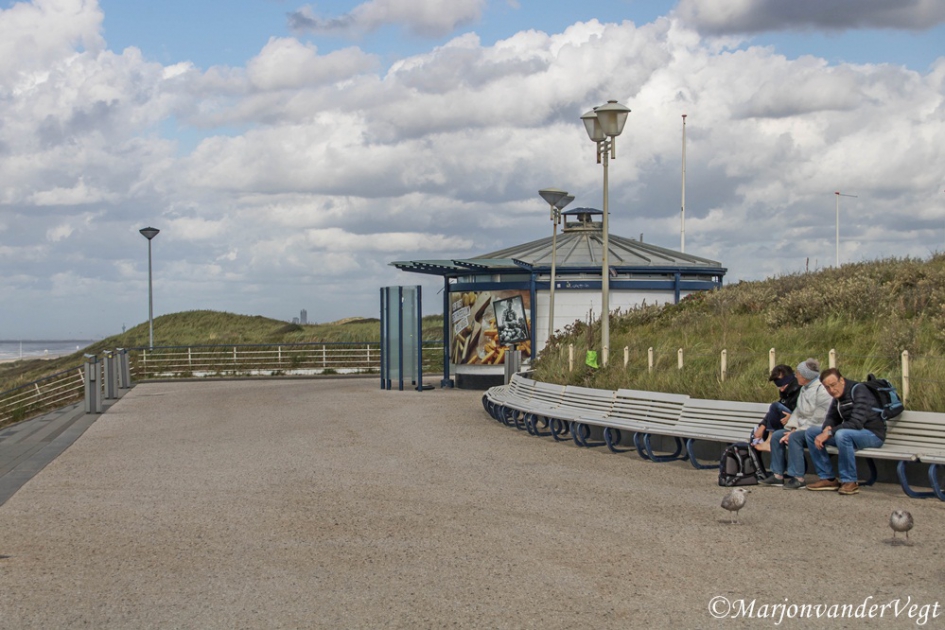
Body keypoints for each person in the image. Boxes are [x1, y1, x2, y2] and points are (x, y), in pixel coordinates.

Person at [804, 367, 887, 495]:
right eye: (827, 387)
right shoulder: (838, 396)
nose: (831, 390)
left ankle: (850, 481)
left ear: (841, 380)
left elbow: (856, 423)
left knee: (842, 434)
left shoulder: (859, 390)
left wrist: (830, 433)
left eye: (833, 385)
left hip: (872, 434)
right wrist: (827, 427)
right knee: (811, 433)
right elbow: (832, 416)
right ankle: (828, 478)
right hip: (853, 434)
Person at [759, 359, 832, 489]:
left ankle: (798, 477)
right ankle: (777, 475)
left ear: (806, 376)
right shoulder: (804, 388)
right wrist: (792, 427)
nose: (796, 375)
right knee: (777, 436)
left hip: (816, 429)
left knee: (794, 437)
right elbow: (798, 411)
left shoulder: (821, 390)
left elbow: (819, 418)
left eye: (798, 373)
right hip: (801, 427)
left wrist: (795, 431)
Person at [750, 364, 801, 452]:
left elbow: (805, 411)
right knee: (755, 435)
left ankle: (769, 442)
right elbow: (773, 412)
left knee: (775, 406)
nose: (781, 389)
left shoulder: (800, 390)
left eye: (783, 386)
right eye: (779, 386)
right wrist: (762, 427)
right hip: (785, 424)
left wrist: (792, 417)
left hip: (797, 426)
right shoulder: (786, 393)